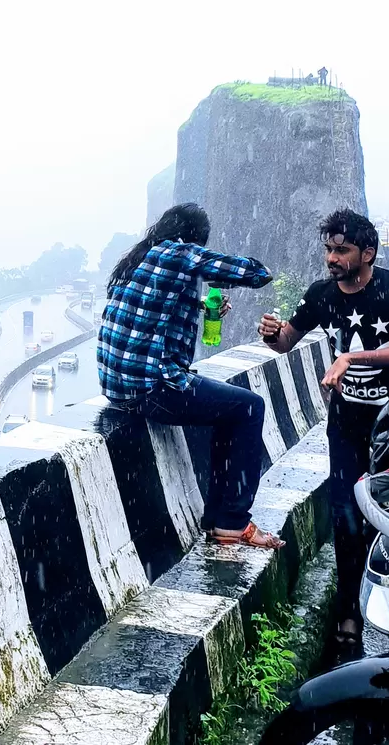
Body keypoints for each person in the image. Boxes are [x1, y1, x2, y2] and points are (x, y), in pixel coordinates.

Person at [258, 208, 389, 661]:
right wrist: (272, 333)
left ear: (367, 252)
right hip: (347, 423)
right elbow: (287, 341)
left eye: (342, 249)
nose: (332, 258)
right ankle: (348, 611)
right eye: (328, 249)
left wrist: (352, 358)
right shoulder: (321, 294)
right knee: (346, 518)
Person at [98, 203, 283, 549]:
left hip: (118, 388)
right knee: (249, 407)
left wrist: (200, 305)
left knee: (225, 412)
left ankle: (220, 519)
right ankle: (232, 521)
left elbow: (152, 308)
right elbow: (255, 274)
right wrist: (252, 270)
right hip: (152, 387)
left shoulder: (141, 259)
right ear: (193, 238)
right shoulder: (178, 254)